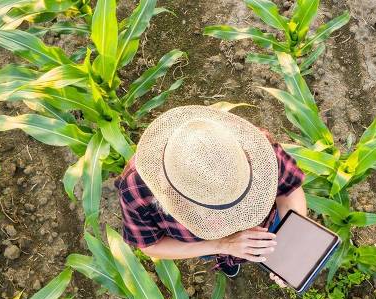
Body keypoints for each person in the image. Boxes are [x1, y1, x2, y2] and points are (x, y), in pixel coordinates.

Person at [116, 105, 307, 283]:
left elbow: (289, 191)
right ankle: (226, 263)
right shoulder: (136, 190)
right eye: (211, 210)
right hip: (203, 245)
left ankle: (232, 261)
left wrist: (291, 243)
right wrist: (221, 245)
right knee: (213, 256)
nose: (228, 222)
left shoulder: (258, 149)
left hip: (265, 228)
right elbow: (151, 245)